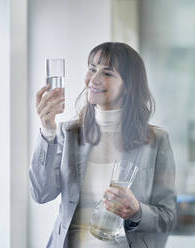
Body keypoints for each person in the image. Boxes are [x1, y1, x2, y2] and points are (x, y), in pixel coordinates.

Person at [29, 42, 176, 248]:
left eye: (107, 73)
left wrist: (137, 211)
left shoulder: (156, 140)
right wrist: (47, 130)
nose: (94, 79)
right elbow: (40, 193)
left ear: (129, 85)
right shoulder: (67, 133)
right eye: (91, 69)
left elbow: (167, 218)